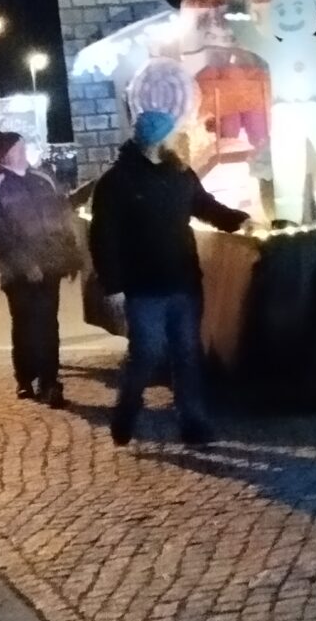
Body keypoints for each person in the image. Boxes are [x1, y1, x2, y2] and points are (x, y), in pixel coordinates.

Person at [88, 109, 248, 447]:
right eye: (171, 133)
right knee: (146, 353)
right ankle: (127, 409)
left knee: (187, 353)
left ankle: (193, 423)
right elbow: (103, 238)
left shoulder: (180, 173)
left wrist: (239, 220)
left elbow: (205, 206)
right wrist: (113, 285)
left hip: (183, 281)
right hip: (143, 287)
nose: (178, 137)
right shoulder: (116, 182)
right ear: (158, 140)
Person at [0, 129, 82, 406]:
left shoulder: (42, 178)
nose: (24, 152)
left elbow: (62, 213)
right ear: (6, 154)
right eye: (19, 148)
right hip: (18, 274)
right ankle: (24, 377)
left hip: (50, 266)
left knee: (48, 324)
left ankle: (50, 382)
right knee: (24, 324)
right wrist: (25, 264)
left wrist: (70, 254)